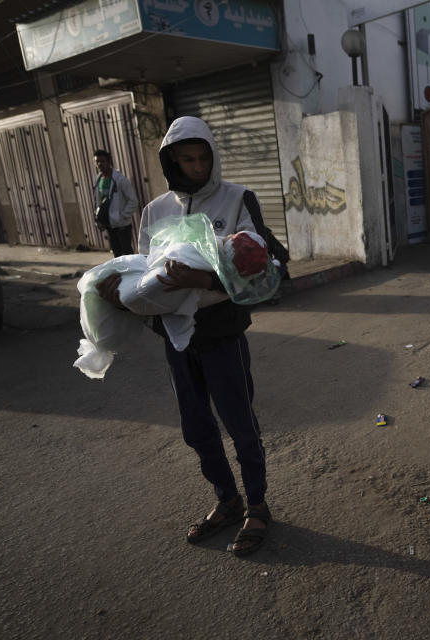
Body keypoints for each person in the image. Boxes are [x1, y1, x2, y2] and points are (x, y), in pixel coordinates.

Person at [96, 116, 271, 557]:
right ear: (170, 161)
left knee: (239, 422)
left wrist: (204, 279)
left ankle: (257, 506)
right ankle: (226, 501)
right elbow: (144, 271)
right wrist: (121, 297)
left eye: (202, 158)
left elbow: (265, 270)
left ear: (213, 157)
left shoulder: (236, 199)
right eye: (186, 159)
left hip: (221, 331)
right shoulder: (155, 211)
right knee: (196, 428)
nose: (196, 166)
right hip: (175, 337)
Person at [92, 150, 139, 258]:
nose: (99, 164)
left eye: (102, 161)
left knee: (127, 254)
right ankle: (121, 274)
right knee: (117, 255)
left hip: (122, 225)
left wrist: (122, 216)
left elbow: (133, 201)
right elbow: (98, 201)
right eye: (97, 161)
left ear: (109, 162)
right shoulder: (98, 180)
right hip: (109, 224)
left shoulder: (120, 180)